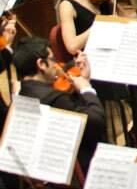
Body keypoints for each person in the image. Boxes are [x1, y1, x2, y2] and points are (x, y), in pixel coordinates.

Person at [13, 38, 106, 171]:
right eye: (52, 60)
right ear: (41, 64)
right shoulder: (54, 98)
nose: (57, 65)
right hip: (77, 166)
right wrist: (87, 88)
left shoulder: (21, 93)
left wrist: (83, 79)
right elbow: (97, 121)